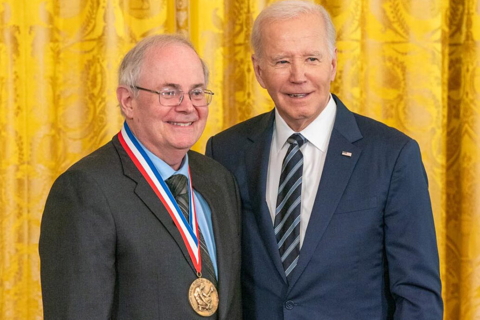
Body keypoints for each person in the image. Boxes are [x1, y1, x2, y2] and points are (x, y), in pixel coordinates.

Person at [205, 1, 443, 319]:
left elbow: (418, 296)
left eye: (311, 59)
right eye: (281, 61)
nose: (298, 76)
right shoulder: (226, 151)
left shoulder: (392, 155)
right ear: (258, 70)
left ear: (332, 64)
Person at [39, 34, 242, 320]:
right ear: (128, 101)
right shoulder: (85, 191)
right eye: (169, 92)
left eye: (197, 92)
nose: (187, 106)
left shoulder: (218, 179)